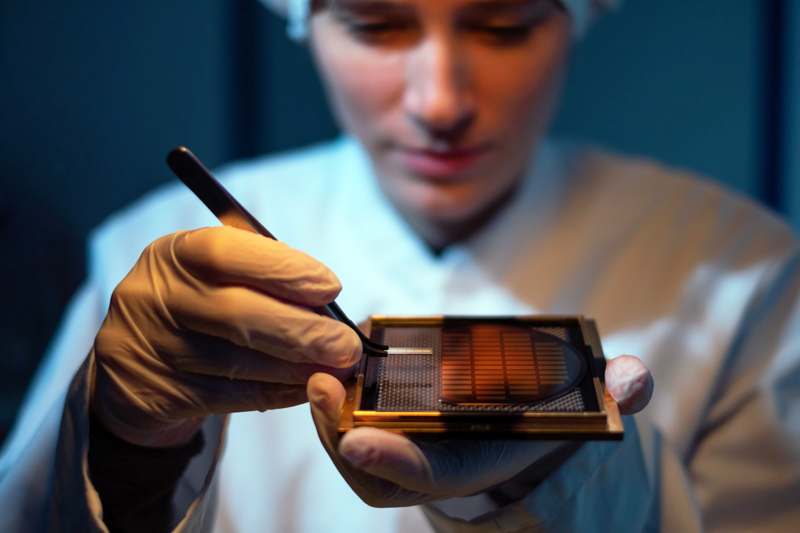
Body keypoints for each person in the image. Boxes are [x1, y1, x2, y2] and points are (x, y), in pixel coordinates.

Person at [1, 0, 799, 531]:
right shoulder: (157, 246)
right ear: (305, 21)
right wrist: (126, 442)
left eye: (506, 23)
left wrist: (571, 484)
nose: (440, 102)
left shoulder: (741, 271)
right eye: (377, 24)